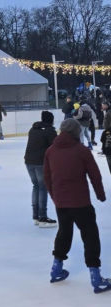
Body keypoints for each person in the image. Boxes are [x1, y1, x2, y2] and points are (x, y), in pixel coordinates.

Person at [44, 118, 111, 293]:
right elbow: (95, 175)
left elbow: (47, 178)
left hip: (61, 203)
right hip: (80, 202)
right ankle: (96, 277)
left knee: (64, 232)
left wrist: (55, 197)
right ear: (76, 132)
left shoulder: (50, 151)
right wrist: (101, 195)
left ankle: (56, 269)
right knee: (90, 235)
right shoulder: (81, 151)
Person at [24, 111, 57, 227]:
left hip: (29, 162)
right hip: (40, 163)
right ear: (51, 120)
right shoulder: (50, 131)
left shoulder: (33, 129)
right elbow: (55, 147)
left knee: (36, 186)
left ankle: (36, 216)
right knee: (43, 187)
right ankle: (42, 217)